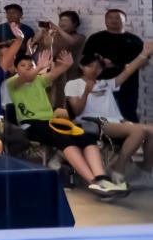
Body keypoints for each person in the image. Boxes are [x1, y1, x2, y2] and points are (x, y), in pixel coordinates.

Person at [6, 50, 124, 197]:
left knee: (86, 137)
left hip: (51, 121)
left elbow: (55, 73)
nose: (28, 67)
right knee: (64, 140)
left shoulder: (39, 80)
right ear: (16, 69)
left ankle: (102, 178)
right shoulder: (12, 82)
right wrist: (39, 67)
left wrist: (66, 65)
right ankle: (93, 182)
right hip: (31, 124)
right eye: (23, 65)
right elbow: (26, 76)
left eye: (31, 64)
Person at [65, 46, 153, 181]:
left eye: (98, 67)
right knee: (138, 131)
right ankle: (118, 167)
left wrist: (144, 53)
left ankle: (145, 169)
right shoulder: (73, 84)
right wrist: (86, 92)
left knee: (151, 130)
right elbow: (77, 111)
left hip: (116, 122)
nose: (94, 70)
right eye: (90, 66)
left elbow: (128, 71)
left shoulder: (106, 83)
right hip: (93, 122)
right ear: (82, 66)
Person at [83, 9, 145, 122]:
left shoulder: (134, 40)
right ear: (105, 20)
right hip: (101, 82)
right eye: (110, 17)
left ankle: (132, 132)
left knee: (128, 113)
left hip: (128, 83)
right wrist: (100, 62)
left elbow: (144, 61)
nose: (113, 20)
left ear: (125, 20)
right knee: (99, 114)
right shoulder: (95, 38)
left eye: (117, 18)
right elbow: (85, 60)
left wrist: (125, 65)